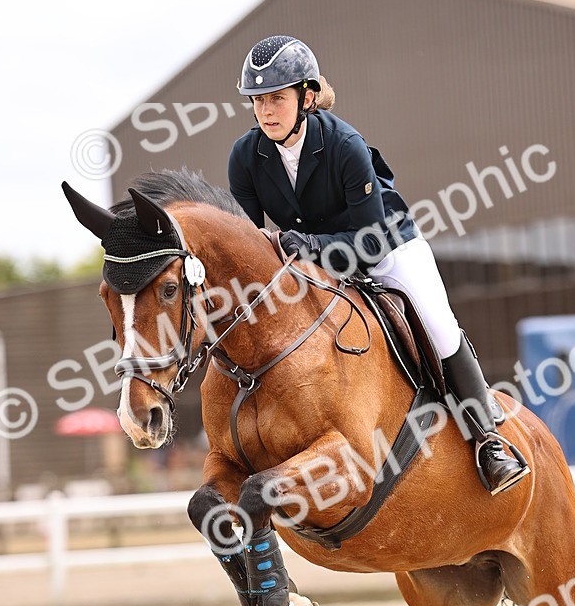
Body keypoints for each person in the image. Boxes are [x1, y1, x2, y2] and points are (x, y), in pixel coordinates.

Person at [227, 35, 529, 494]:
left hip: (385, 248)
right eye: (259, 100)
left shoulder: (345, 145)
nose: (267, 110)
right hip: (311, 261)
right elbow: (248, 246)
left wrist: (300, 243)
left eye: (277, 98)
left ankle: (488, 440)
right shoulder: (245, 158)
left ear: (306, 97)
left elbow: (367, 246)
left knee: (438, 325)